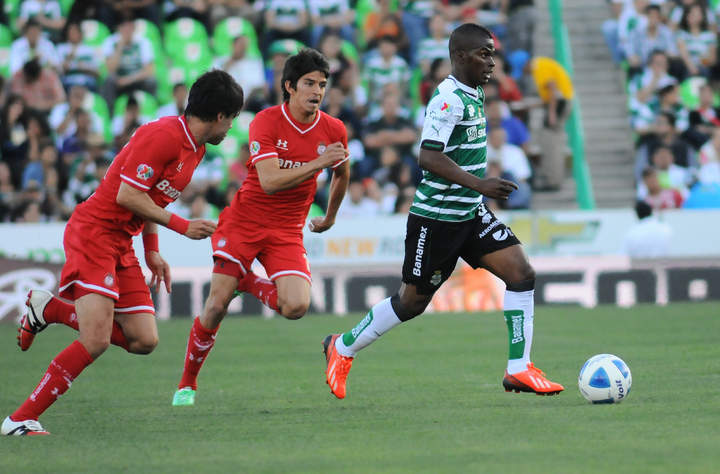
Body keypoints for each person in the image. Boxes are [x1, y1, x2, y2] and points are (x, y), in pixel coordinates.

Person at [321, 23, 564, 400]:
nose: (492, 62)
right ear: (460, 56)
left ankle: (519, 368)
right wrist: (480, 184)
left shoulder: (475, 91)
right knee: (411, 302)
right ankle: (342, 346)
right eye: (484, 54)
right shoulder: (448, 98)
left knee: (521, 273)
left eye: (493, 54)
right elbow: (428, 157)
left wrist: (477, 193)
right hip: (436, 219)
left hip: (470, 212)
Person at [3, 70, 244, 436]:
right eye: (232, 119)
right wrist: (182, 226)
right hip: (94, 234)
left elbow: (149, 200)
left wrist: (152, 252)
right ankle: (20, 419)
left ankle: (49, 309)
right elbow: (127, 195)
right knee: (96, 340)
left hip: (121, 242)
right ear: (219, 115)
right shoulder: (162, 136)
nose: (231, 128)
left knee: (144, 339)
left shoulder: (194, 150)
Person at [171, 49, 350, 407]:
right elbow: (269, 181)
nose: (317, 91)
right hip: (245, 223)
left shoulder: (333, 129)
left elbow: (342, 174)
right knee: (216, 305)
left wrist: (330, 216)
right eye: (309, 84)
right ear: (289, 86)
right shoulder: (266, 122)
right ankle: (187, 383)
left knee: (296, 306)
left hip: (286, 230)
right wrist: (318, 162)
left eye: (322, 85)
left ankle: (246, 281)